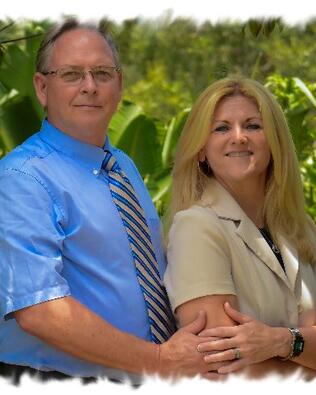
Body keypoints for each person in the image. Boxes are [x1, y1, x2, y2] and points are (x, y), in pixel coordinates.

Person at [0, 18, 219, 385]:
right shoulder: (21, 179)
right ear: (41, 87)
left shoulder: (121, 164)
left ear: (118, 84)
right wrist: (160, 359)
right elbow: (39, 311)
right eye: (71, 74)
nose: (90, 87)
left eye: (102, 73)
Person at [164, 76, 316, 379]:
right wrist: (302, 347)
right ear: (202, 150)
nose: (239, 137)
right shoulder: (196, 227)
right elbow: (221, 365)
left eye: (253, 126)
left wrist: (281, 341)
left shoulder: (301, 229)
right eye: (221, 128)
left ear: (274, 142)